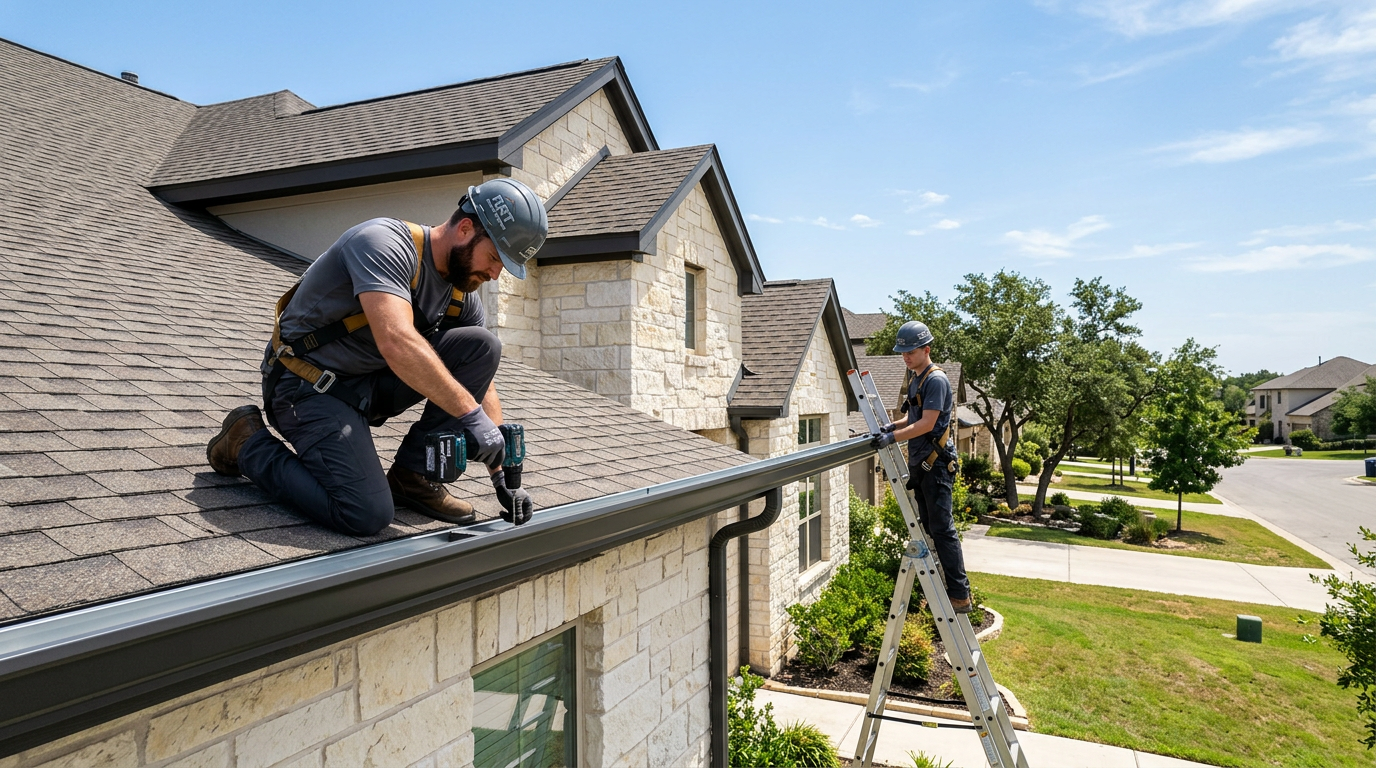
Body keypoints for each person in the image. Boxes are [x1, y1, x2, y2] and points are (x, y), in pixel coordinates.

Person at [205, 179, 544, 536]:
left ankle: (413, 477)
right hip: (306, 386)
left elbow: (478, 382)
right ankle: (246, 443)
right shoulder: (382, 243)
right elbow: (396, 341)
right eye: (494, 258)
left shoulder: (460, 293)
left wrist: (502, 476)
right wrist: (471, 417)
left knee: (482, 345)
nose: (494, 274)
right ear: (464, 229)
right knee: (364, 513)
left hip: (364, 387)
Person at [871, 321, 971, 612]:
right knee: (929, 525)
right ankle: (946, 586)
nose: (905, 356)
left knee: (942, 528)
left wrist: (891, 438)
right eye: (902, 352)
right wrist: (891, 426)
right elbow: (914, 418)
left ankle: (959, 594)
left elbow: (927, 424)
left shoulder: (935, 380)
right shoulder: (916, 378)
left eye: (910, 351)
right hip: (922, 464)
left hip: (936, 464)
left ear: (926, 349)